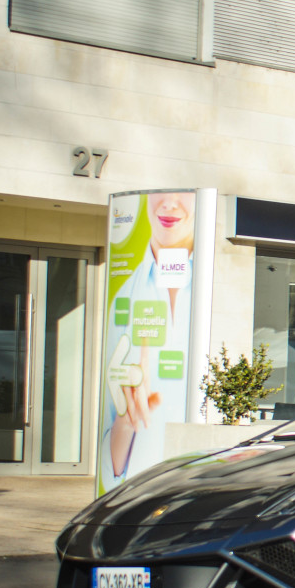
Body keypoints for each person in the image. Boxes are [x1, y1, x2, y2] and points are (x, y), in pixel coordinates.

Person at [98, 191, 196, 490]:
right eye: (161, 196)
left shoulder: (209, 291)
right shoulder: (124, 296)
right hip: (139, 490)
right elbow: (110, 473)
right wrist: (126, 420)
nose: (168, 203)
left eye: (181, 195)